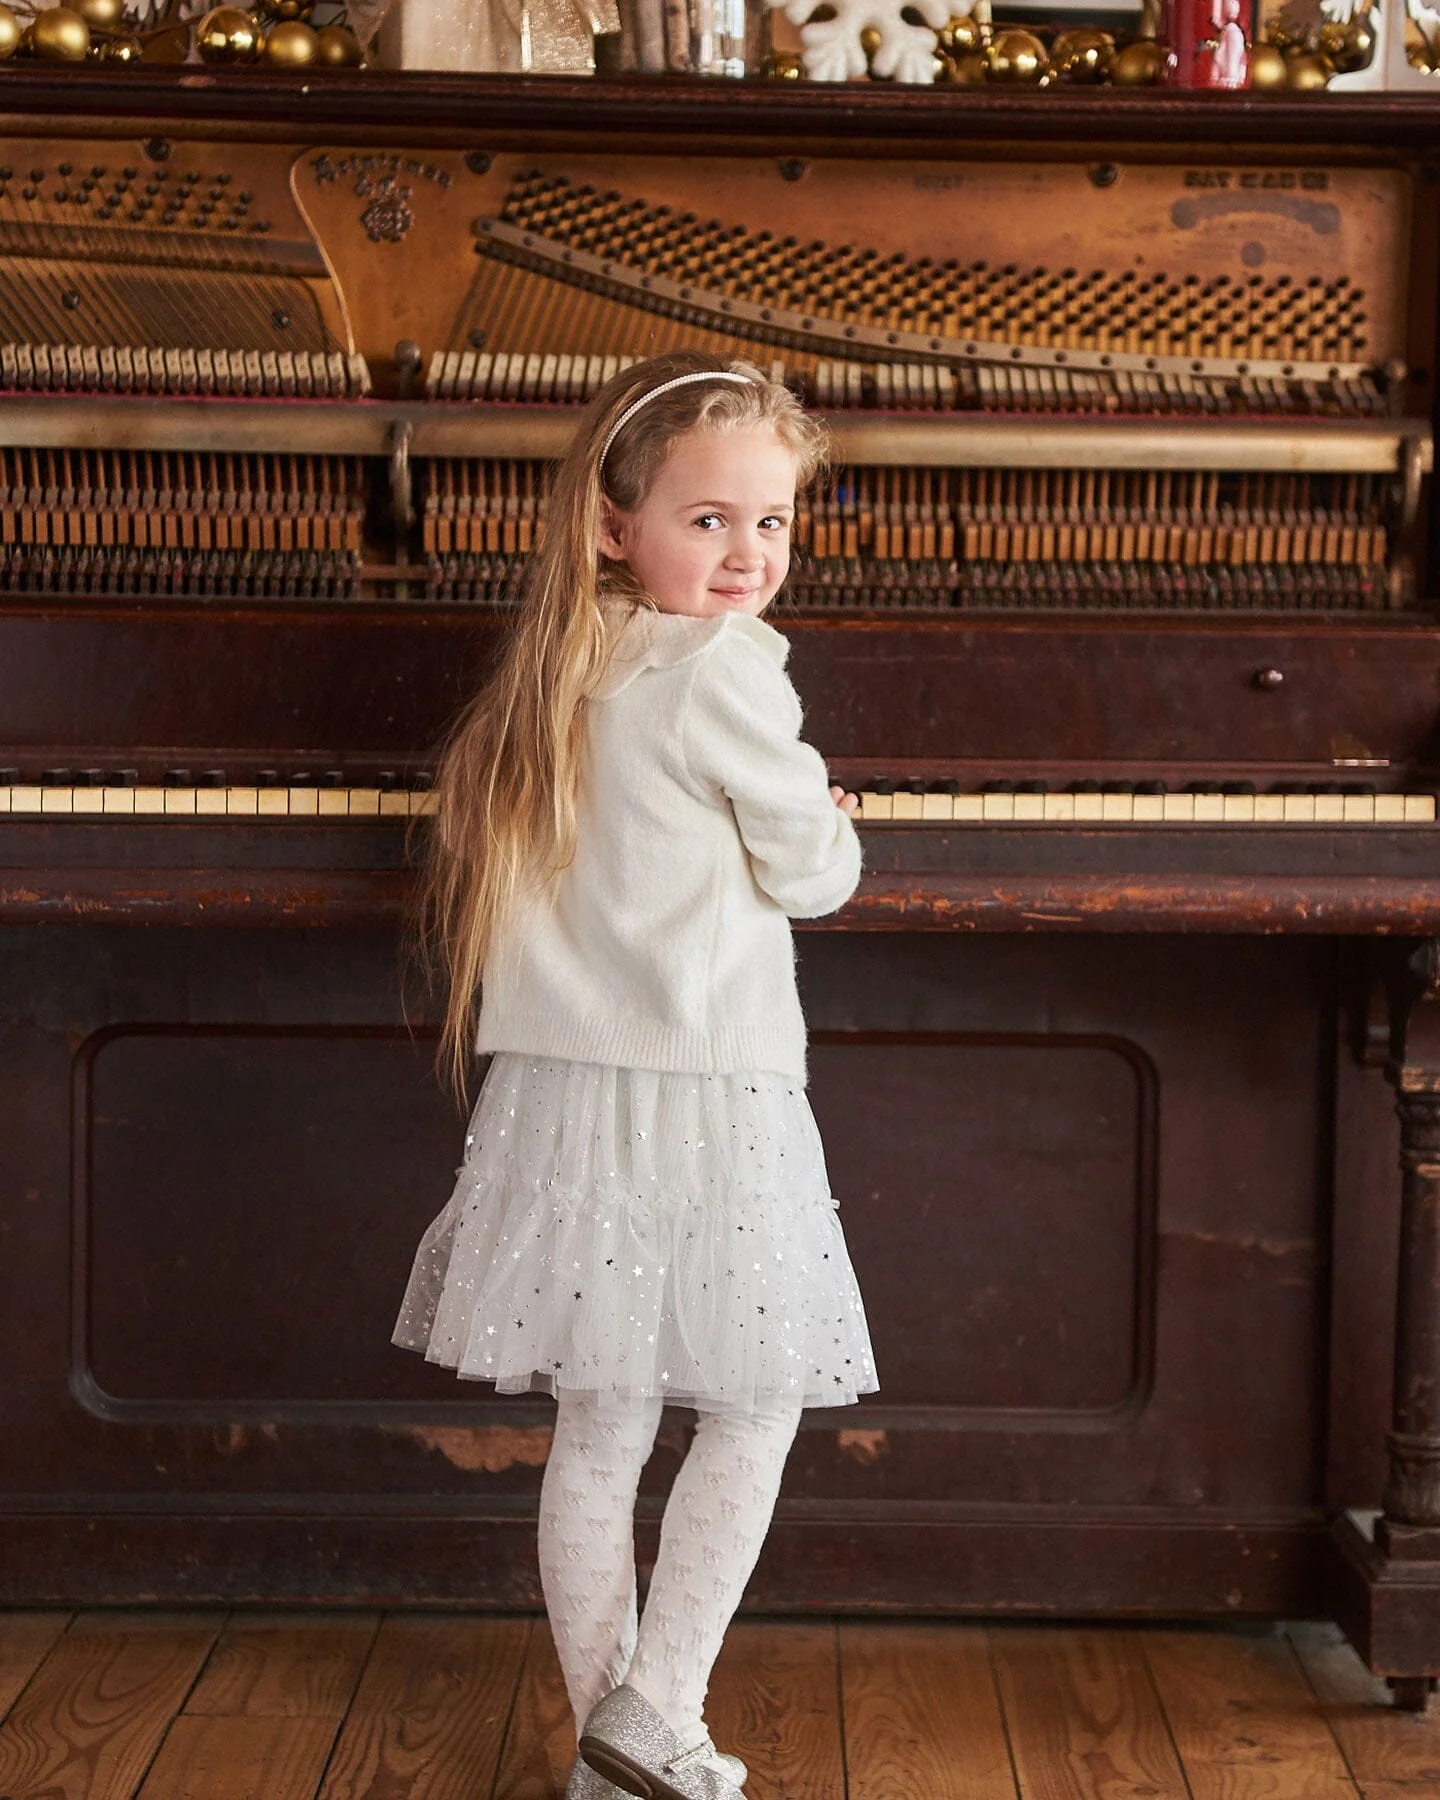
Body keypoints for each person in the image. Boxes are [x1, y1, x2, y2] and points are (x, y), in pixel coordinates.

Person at [392, 350, 879, 1800]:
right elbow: (815, 876)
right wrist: (837, 820)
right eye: (709, 519)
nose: (746, 554)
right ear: (617, 525)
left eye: (771, 522)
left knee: (603, 1420)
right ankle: (656, 1704)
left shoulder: (566, 664)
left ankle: (617, 1757)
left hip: (563, 1092)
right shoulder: (722, 667)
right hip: (705, 1088)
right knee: (754, 1406)